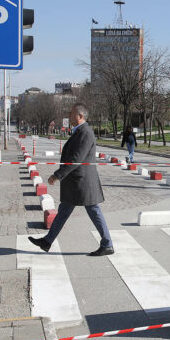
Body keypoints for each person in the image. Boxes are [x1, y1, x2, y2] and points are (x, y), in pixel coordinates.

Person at [28, 104, 114, 256]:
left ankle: (107, 244)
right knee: (64, 211)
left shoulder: (85, 132)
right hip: (77, 182)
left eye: (71, 113)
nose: (69, 115)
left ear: (80, 116)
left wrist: (57, 175)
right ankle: (47, 241)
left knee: (93, 210)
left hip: (83, 182)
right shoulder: (80, 131)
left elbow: (76, 159)